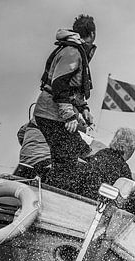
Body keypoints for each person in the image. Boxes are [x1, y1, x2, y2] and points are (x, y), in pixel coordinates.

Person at [33, 14, 97, 192]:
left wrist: (83, 109)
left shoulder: (74, 50)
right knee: (66, 161)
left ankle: (43, 182)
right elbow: (59, 85)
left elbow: (71, 88)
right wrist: (69, 116)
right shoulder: (72, 52)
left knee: (78, 151)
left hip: (51, 114)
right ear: (92, 33)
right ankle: (50, 195)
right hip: (50, 115)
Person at [80, 127, 135, 199]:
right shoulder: (122, 167)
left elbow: (132, 176)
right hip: (94, 200)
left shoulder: (102, 153)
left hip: (83, 191)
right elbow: (131, 190)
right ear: (131, 149)